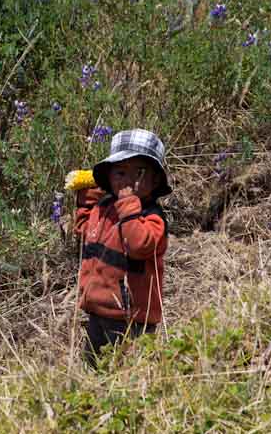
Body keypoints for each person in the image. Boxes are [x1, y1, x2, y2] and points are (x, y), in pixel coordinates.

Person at [71, 129, 172, 367]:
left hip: (131, 320)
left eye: (138, 173)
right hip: (97, 313)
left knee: (127, 375)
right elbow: (87, 232)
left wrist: (128, 204)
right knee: (94, 370)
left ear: (155, 180)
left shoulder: (153, 218)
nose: (127, 181)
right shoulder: (105, 207)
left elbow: (139, 245)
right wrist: (88, 200)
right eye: (119, 172)